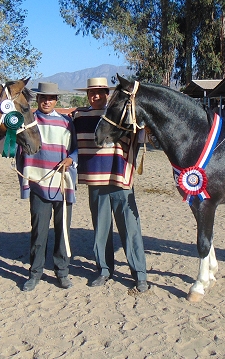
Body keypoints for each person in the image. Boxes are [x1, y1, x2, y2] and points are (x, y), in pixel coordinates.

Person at [72, 77, 149, 293]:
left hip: (120, 179)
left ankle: (139, 274)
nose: (95, 96)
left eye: (99, 92)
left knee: (130, 228)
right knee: (101, 229)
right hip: (96, 181)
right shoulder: (80, 116)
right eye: (91, 92)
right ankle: (104, 270)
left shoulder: (121, 113)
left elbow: (140, 134)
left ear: (107, 93)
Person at [3, 82, 78, 292]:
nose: (47, 101)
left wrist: (71, 160)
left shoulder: (66, 123)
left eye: (51, 98)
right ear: (37, 100)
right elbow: (11, 142)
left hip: (62, 185)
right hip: (38, 184)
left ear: (56, 100)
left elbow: (76, 149)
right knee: (39, 232)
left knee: (63, 231)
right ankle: (35, 273)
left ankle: (62, 272)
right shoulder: (27, 121)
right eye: (43, 98)